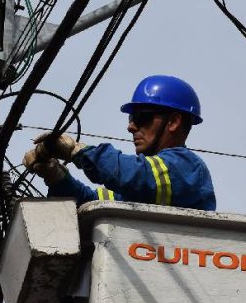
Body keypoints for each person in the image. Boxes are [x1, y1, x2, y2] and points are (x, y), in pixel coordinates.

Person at [24, 75, 216, 211]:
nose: (131, 127)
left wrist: (76, 150)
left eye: (142, 117)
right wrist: (55, 175)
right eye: (131, 118)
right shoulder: (142, 189)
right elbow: (91, 202)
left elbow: (133, 174)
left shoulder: (187, 168)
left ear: (173, 122)